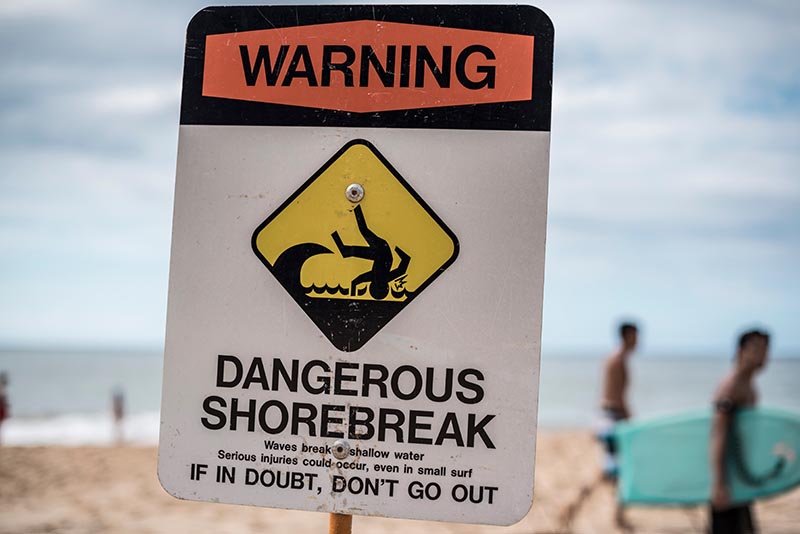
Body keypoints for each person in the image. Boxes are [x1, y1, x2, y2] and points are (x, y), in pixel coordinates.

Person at [709, 329, 769, 534]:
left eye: (766, 349)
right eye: (757, 349)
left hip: (739, 477)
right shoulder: (731, 386)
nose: (763, 355)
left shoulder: (749, 385)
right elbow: (718, 434)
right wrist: (718, 483)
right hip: (727, 478)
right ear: (741, 351)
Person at [597, 322, 639, 479]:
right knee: (616, 466)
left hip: (607, 413)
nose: (637, 341)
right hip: (614, 414)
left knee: (612, 461)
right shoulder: (618, 360)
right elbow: (618, 396)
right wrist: (630, 419)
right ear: (627, 336)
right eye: (635, 336)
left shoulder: (613, 358)